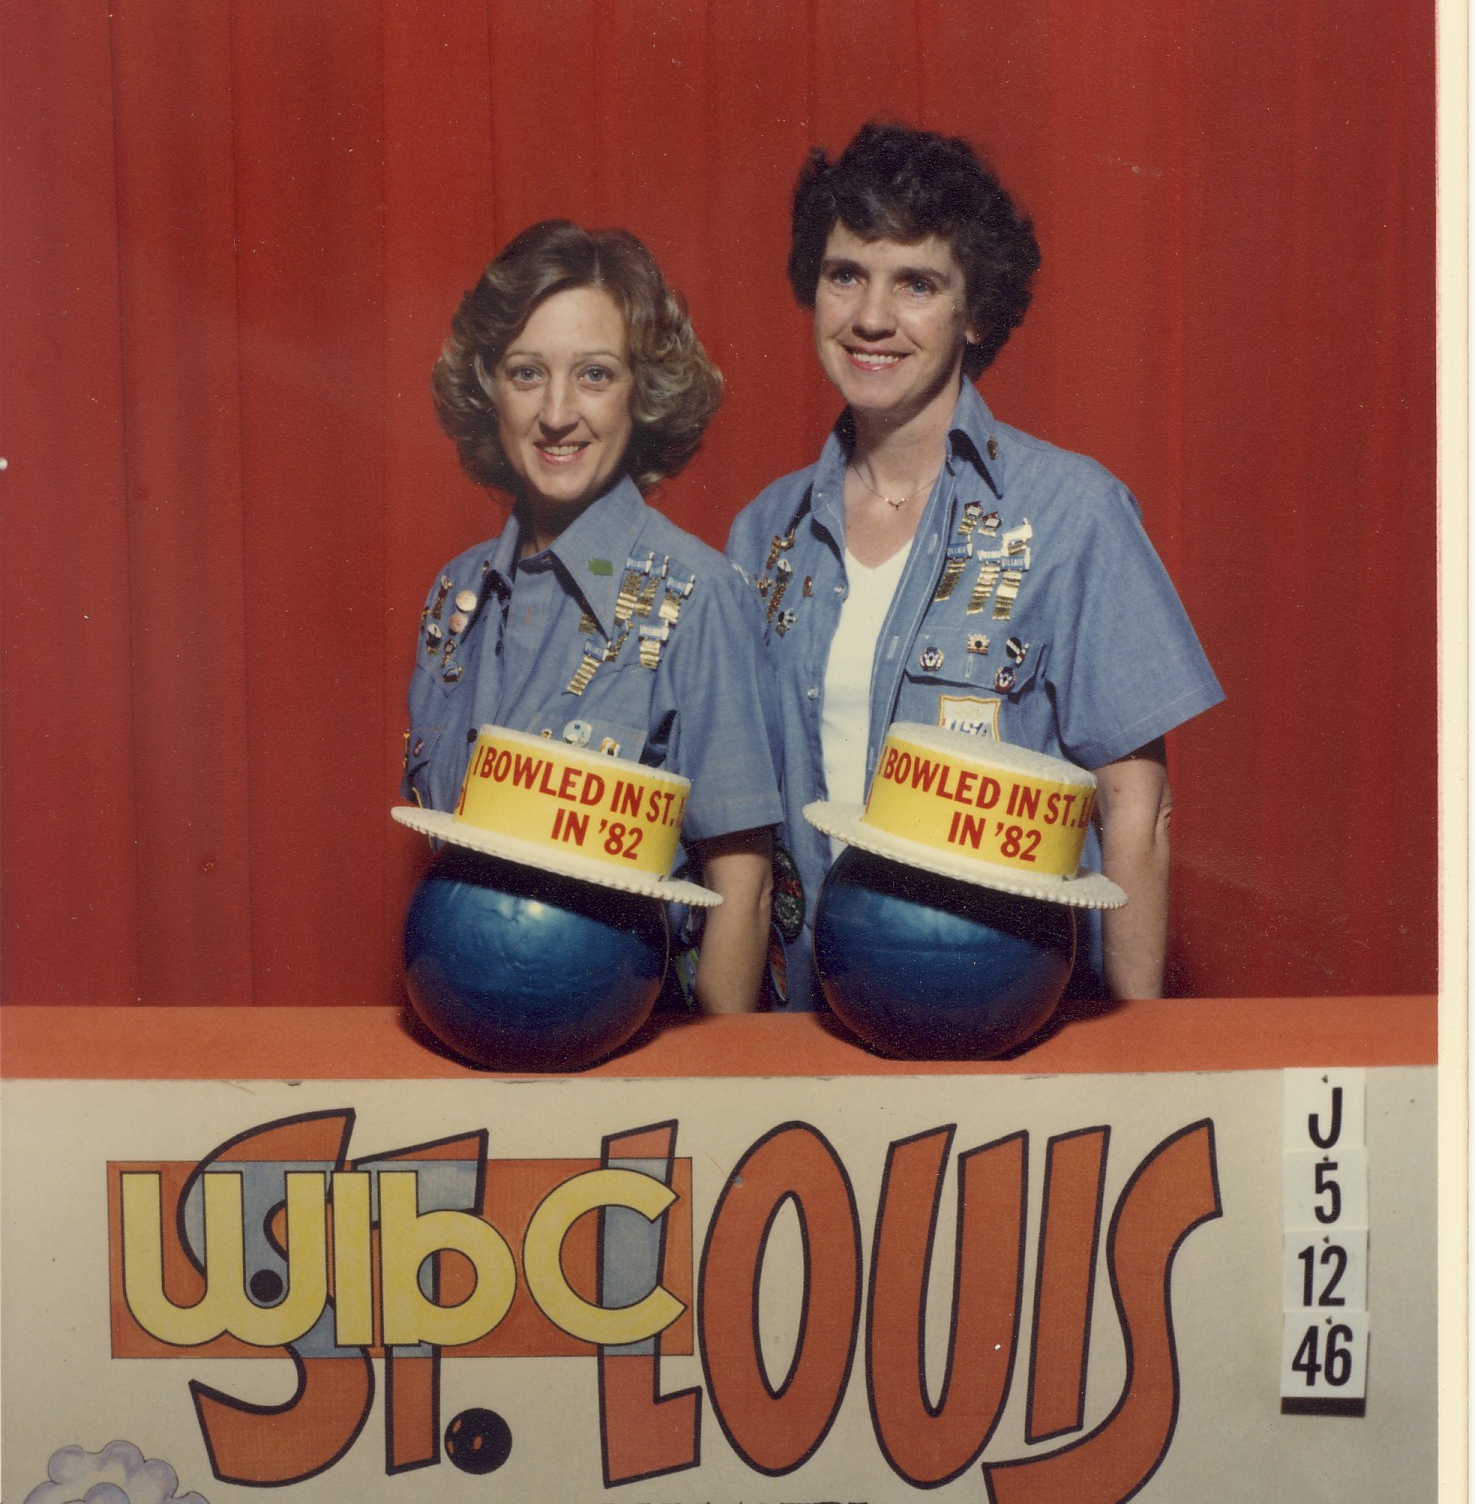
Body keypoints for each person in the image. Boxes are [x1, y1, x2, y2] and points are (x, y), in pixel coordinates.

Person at [727, 123, 1223, 1011]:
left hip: (1007, 1024)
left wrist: (1141, 1053)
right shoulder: (764, 530)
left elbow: (1136, 814)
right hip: (804, 1020)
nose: (870, 318)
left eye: (916, 283)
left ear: (976, 311)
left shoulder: (1072, 512)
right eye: (845, 275)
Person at [404, 219, 778, 1013]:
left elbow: (741, 889)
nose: (556, 413)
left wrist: (719, 1077)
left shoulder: (699, 595)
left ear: (642, 391)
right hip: (461, 1034)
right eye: (526, 372)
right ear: (489, 389)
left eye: (594, 375)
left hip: (633, 1054)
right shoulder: (455, 594)